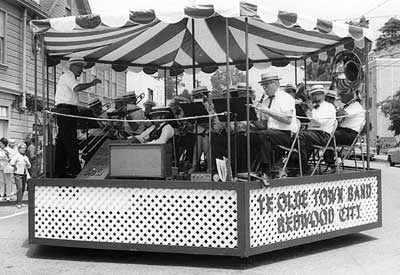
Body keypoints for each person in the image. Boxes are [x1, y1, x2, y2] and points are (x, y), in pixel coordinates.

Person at [54, 57, 102, 178]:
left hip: (67, 110)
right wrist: (92, 83)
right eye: (79, 67)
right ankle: (74, 169)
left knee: (62, 142)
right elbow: (76, 88)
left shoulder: (68, 77)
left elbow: (69, 98)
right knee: (70, 141)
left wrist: (79, 108)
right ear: (73, 66)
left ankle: (60, 171)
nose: (81, 70)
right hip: (66, 111)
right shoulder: (68, 76)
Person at [252, 72, 297, 178]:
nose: (265, 88)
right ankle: (251, 168)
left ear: (276, 84)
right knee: (250, 135)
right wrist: (252, 118)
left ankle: (266, 169)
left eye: (267, 85)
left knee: (263, 135)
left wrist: (267, 111)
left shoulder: (286, 98)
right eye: (263, 85)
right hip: (271, 132)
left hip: (286, 133)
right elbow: (263, 125)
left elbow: (287, 120)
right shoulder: (266, 101)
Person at [323, 90, 365, 172]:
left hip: (350, 134)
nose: (340, 96)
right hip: (344, 132)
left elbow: (341, 114)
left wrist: (332, 106)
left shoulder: (356, 106)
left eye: (343, 95)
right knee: (324, 133)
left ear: (351, 96)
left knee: (329, 136)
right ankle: (329, 161)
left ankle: (331, 164)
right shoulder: (349, 106)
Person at [299, 85, 336, 174]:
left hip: (324, 135)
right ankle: (298, 165)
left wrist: (311, 109)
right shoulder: (314, 107)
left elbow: (321, 122)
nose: (316, 97)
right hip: (314, 133)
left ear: (323, 95)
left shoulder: (329, 107)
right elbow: (310, 122)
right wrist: (305, 110)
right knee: (298, 136)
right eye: (314, 95)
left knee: (302, 136)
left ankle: (303, 166)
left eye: (319, 94)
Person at [10, 143, 31, 208]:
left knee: (23, 189)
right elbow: (11, 163)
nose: (23, 149)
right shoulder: (16, 156)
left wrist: (27, 162)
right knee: (19, 188)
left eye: (24, 148)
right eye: (22, 148)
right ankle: (18, 203)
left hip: (24, 174)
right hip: (18, 174)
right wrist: (15, 168)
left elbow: (29, 166)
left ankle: (20, 202)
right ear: (19, 149)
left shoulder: (25, 157)